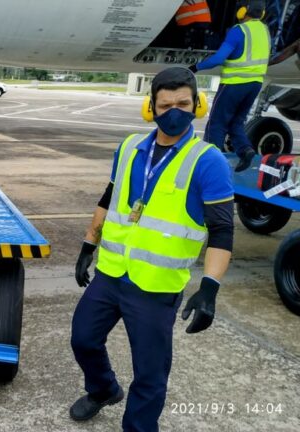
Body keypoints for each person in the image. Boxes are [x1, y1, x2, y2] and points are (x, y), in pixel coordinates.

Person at [70, 67, 235, 432]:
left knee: (150, 372)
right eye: (165, 104)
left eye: (183, 103)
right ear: (151, 107)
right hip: (111, 274)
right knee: (82, 338)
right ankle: (103, 389)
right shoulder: (129, 147)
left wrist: (210, 288)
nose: (173, 111)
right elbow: (108, 197)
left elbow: (222, 231)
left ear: (198, 105)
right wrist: (88, 244)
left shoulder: (208, 161)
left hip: (156, 287)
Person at [189, 0, 270, 172]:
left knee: (216, 124)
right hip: (255, 84)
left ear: (242, 11)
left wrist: (196, 67)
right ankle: (245, 150)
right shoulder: (265, 31)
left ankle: (211, 164)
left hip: (234, 84)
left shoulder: (239, 31)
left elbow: (219, 59)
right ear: (262, 14)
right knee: (236, 122)